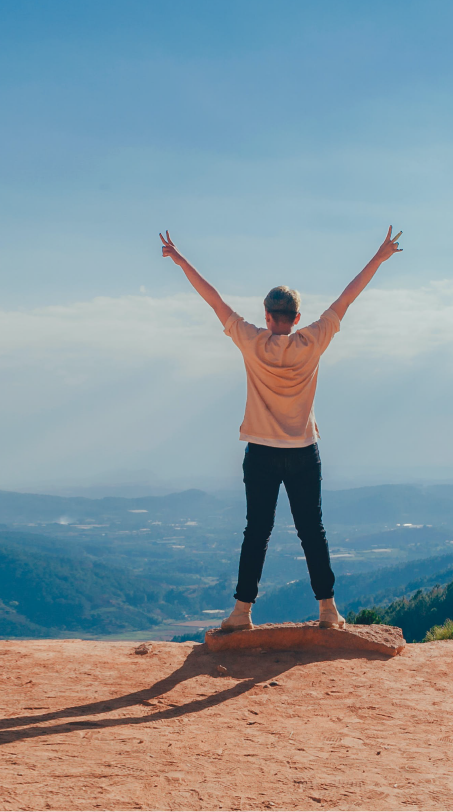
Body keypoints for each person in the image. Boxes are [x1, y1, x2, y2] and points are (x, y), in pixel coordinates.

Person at [159, 227, 403, 630]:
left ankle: (242, 612)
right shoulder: (313, 340)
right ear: (297, 318)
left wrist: (182, 260)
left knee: (257, 531)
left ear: (267, 316)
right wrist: (379, 257)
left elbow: (214, 300)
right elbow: (347, 298)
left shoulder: (252, 342)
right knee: (312, 532)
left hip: (261, 451)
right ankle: (328, 611)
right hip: (304, 450)